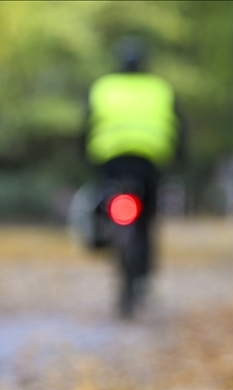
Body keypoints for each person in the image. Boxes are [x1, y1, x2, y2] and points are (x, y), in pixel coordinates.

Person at [84, 38, 184, 281]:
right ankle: (143, 271)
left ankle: (98, 236)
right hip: (147, 163)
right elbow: (180, 127)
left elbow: (86, 125)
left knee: (100, 202)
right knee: (147, 218)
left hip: (112, 161)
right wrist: (179, 157)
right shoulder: (159, 88)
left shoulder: (104, 87)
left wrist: (85, 156)